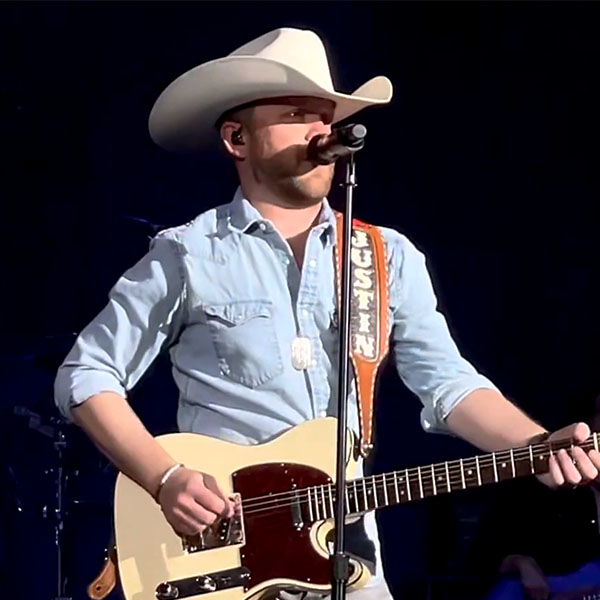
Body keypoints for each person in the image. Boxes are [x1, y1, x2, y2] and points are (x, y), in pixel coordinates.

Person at [54, 27, 600, 599]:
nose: (322, 131)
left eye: (327, 117)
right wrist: (165, 477)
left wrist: (538, 444)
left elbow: (448, 385)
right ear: (237, 138)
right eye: (297, 114)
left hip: (349, 552)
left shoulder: (385, 255)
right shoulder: (188, 253)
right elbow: (86, 376)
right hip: (222, 552)